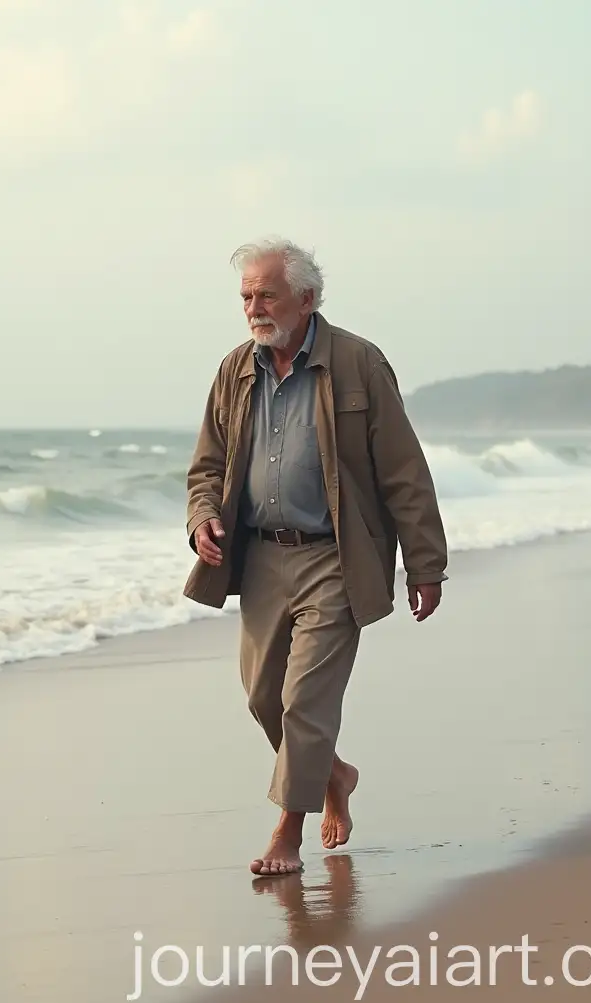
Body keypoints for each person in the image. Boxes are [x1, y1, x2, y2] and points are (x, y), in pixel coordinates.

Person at [183, 237, 449, 875]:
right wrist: (202, 519)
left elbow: (403, 471)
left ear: (306, 298)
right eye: (246, 295)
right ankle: (332, 773)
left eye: (266, 294)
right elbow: (207, 466)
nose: (253, 307)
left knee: (304, 701)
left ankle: (286, 832)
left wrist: (425, 563)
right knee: (263, 699)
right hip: (260, 558)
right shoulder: (233, 371)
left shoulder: (357, 363)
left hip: (336, 557)